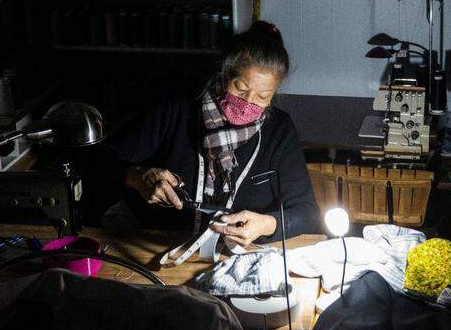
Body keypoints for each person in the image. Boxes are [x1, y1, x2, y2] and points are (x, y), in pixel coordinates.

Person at [94, 20, 319, 247]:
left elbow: (307, 214)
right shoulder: (175, 109)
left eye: (263, 97)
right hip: (159, 245)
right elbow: (100, 163)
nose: (248, 103)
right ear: (223, 76)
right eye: (240, 88)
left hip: (241, 254)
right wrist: (137, 177)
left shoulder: (279, 129)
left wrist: (267, 224)